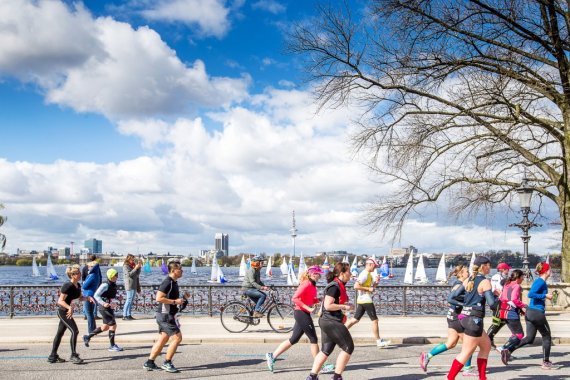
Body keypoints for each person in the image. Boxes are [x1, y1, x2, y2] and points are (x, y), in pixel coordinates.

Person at [266, 266, 334, 373]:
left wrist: (318, 300)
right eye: (318, 274)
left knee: (294, 339)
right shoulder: (306, 283)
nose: (320, 276)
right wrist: (307, 308)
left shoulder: (312, 285)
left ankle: (272, 356)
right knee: (314, 339)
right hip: (301, 313)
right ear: (313, 274)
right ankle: (320, 366)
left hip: (303, 313)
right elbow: (295, 298)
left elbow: (309, 298)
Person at [420, 265, 476, 376]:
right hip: (457, 317)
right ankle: (467, 368)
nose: (468, 273)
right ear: (460, 274)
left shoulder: (460, 284)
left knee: (451, 343)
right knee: (469, 343)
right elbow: (451, 299)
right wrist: (464, 304)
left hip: (452, 316)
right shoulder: (459, 285)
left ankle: (428, 356)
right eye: (466, 272)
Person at [446, 256, 496, 380]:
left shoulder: (469, 279)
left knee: (486, 346)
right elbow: (492, 304)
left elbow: (451, 297)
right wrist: (498, 298)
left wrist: (466, 304)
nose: (490, 267)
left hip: (465, 318)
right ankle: (449, 378)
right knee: (466, 352)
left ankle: (483, 378)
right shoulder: (485, 281)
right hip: (474, 320)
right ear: (483, 266)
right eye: (489, 265)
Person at [504, 262, 558, 370]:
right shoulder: (540, 281)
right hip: (536, 312)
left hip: (530, 312)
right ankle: (546, 362)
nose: (551, 271)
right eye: (550, 269)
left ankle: (508, 350)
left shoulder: (540, 281)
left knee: (529, 338)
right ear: (546, 271)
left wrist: (545, 296)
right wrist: (545, 295)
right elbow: (531, 294)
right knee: (546, 336)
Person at [306, 262, 354, 380]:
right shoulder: (334, 286)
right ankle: (337, 377)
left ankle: (312, 377)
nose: (351, 273)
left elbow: (333, 303)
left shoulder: (338, 285)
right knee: (348, 347)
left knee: (325, 350)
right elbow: (328, 305)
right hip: (331, 321)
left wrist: (343, 304)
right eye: (349, 271)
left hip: (326, 320)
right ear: (342, 273)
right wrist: (344, 307)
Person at [143, 261, 189, 373]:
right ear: (173, 271)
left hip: (165, 315)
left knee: (163, 339)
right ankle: (167, 363)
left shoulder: (174, 282)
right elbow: (159, 298)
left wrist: (183, 298)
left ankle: (150, 362)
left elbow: (172, 299)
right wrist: (174, 301)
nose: (182, 271)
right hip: (165, 315)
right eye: (180, 269)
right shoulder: (167, 282)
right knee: (177, 338)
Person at [345, 257, 390, 348]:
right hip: (366, 300)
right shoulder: (364, 274)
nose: (375, 268)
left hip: (363, 299)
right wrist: (368, 288)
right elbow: (356, 286)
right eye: (374, 266)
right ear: (369, 264)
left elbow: (371, 289)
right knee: (375, 320)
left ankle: (339, 332)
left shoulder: (368, 274)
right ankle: (378, 341)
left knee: (355, 320)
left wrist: (376, 283)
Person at [48, 265, 86, 364]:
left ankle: (52, 356)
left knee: (59, 333)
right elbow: (60, 301)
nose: (80, 274)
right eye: (78, 273)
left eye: (80, 272)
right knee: (75, 331)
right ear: (72, 275)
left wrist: (88, 298)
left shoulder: (78, 285)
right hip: (63, 311)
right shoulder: (67, 285)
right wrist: (69, 307)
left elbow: (81, 298)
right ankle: (73, 355)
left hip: (67, 311)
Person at [83, 268, 123, 352]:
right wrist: (103, 303)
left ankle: (87, 337)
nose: (117, 276)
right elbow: (96, 295)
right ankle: (112, 346)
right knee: (113, 325)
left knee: (105, 327)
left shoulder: (112, 284)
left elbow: (108, 294)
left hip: (108, 307)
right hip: (104, 307)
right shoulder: (105, 285)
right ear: (111, 276)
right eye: (116, 275)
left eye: (117, 275)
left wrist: (117, 297)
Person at [496, 269, 527, 365]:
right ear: (518, 277)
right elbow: (514, 299)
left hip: (503, 311)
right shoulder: (517, 286)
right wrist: (524, 306)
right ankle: (504, 348)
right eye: (522, 277)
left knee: (514, 334)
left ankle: (506, 353)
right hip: (511, 312)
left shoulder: (507, 284)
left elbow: (501, 298)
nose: (523, 279)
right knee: (519, 335)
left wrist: (520, 310)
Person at [487, 262, 511, 348]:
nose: (509, 271)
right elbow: (494, 290)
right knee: (496, 322)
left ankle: (490, 338)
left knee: (503, 321)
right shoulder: (496, 277)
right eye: (507, 269)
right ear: (503, 269)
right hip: (498, 301)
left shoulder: (502, 277)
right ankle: (488, 339)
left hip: (501, 301)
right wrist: (503, 295)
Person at [82, 259, 102, 334]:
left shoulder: (91, 275)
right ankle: (93, 329)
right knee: (91, 313)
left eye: (89, 266)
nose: (88, 268)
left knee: (89, 313)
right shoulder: (97, 274)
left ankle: (90, 330)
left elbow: (84, 286)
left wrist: (84, 282)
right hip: (93, 294)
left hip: (88, 295)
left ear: (92, 267)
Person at [122, 254, 142, 320]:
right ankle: (124, 315)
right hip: (129, 285)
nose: (133, 261)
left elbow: (137, 274)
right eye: (132, 259)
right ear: (128, 259)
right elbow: (129, 274)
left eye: (133, 259)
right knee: (129, 300)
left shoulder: (133, 265)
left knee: (131, 301)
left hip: (134, 284)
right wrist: (135, 268)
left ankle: (129, 314)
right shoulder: (125, 266)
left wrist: (139, 267)